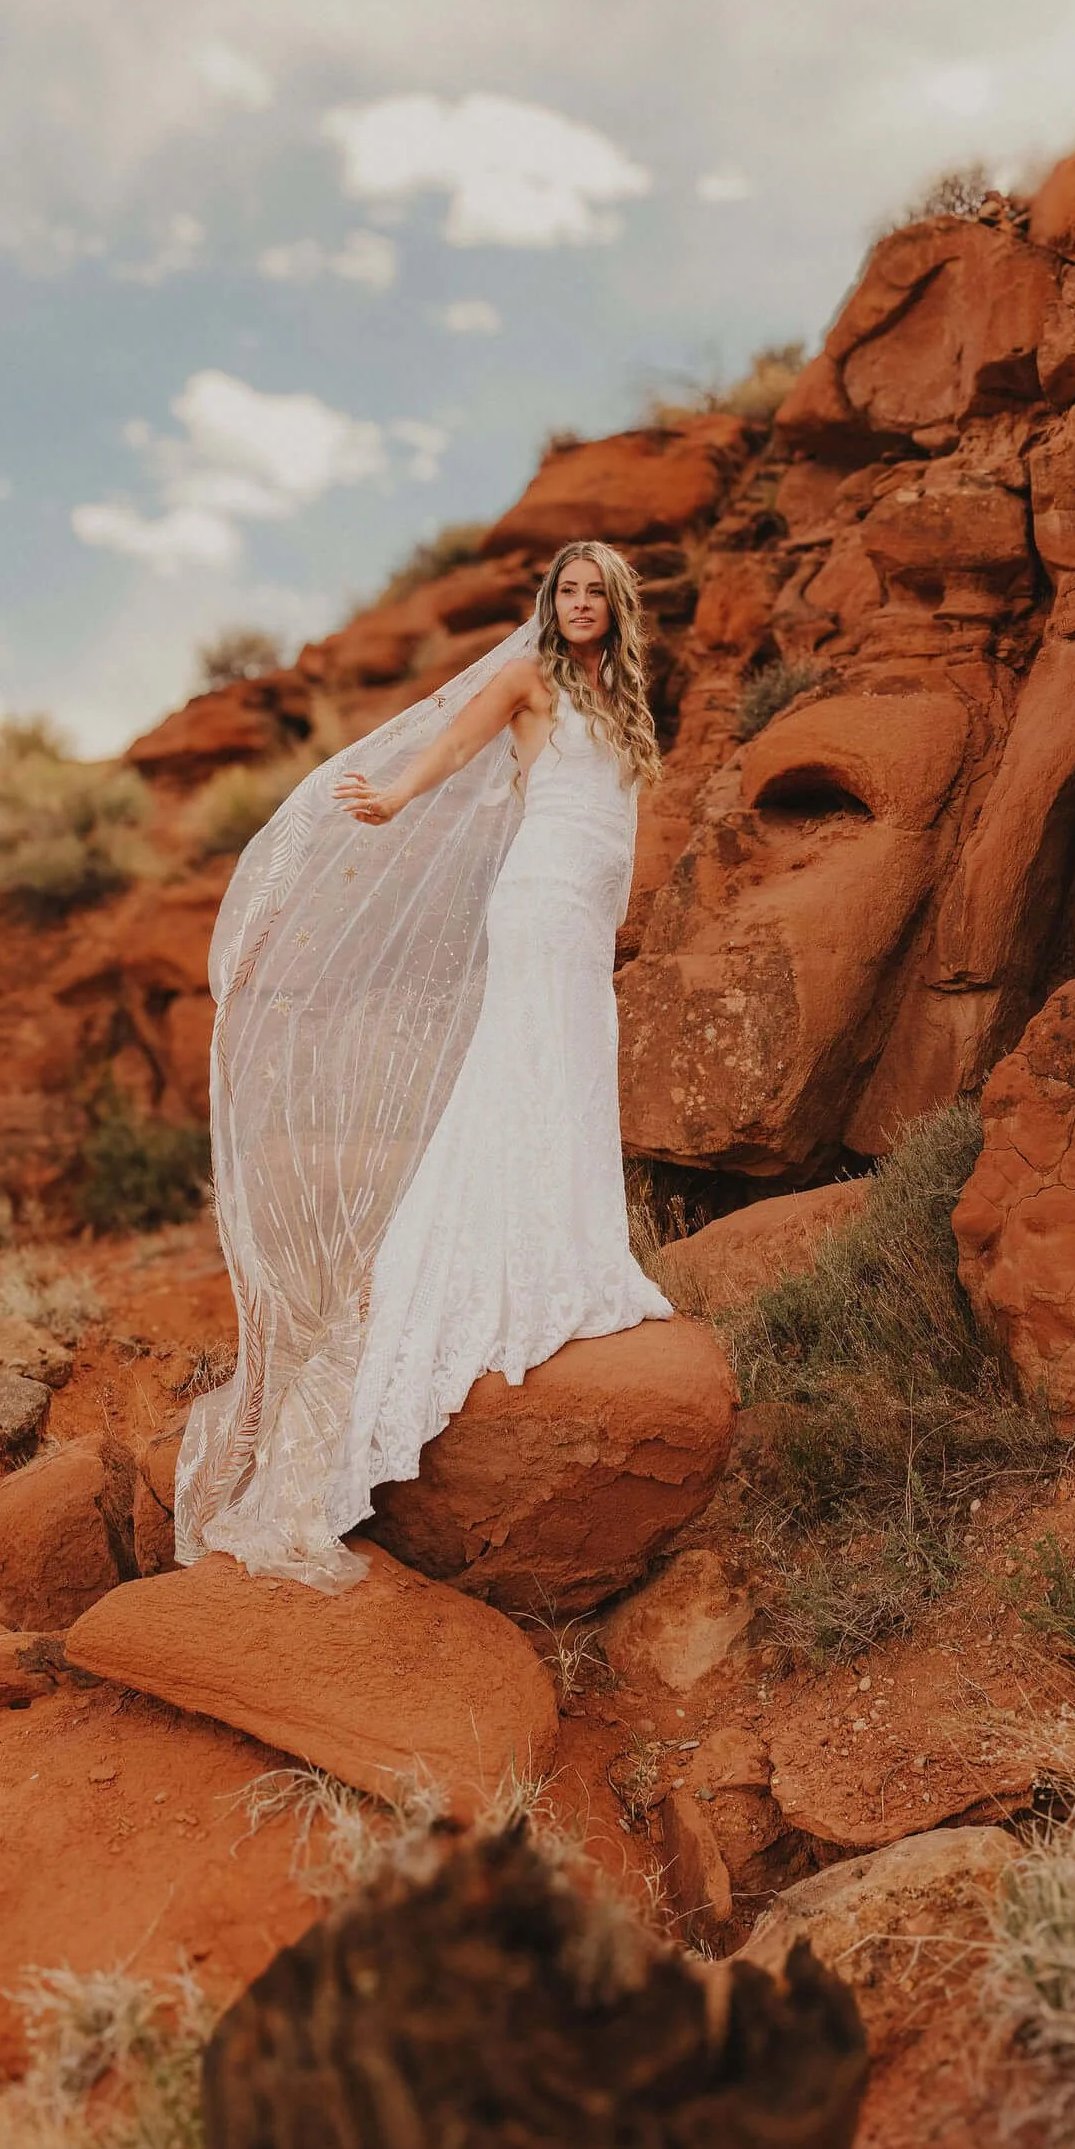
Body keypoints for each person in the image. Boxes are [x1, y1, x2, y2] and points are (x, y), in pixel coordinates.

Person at [174, 538, 674, 1588]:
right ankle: (509, 1262)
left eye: (595, 591)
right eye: (566, 587)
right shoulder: (527, 674)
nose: (579, 603)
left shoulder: (618, 693)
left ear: (616, 606)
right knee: (530, 1062)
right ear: (551, 599)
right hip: (537, 896)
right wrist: (396, 795)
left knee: (576, 1066)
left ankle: (573, 1246)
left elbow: (617, 817)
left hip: (586, 908)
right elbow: (453, 747)